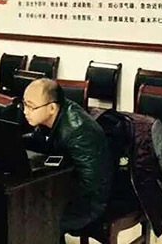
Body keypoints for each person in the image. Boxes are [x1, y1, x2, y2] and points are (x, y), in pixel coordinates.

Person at [23, 78, 112, 237]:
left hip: (89, 203)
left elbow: (90, 184)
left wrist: (53, 199)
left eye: (31, 107)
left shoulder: (78, 131)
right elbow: (39, 141)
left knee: (36, 220)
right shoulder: (51, 117)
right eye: (24, 104)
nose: (25, 111)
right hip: (66, 186)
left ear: (51, 107)